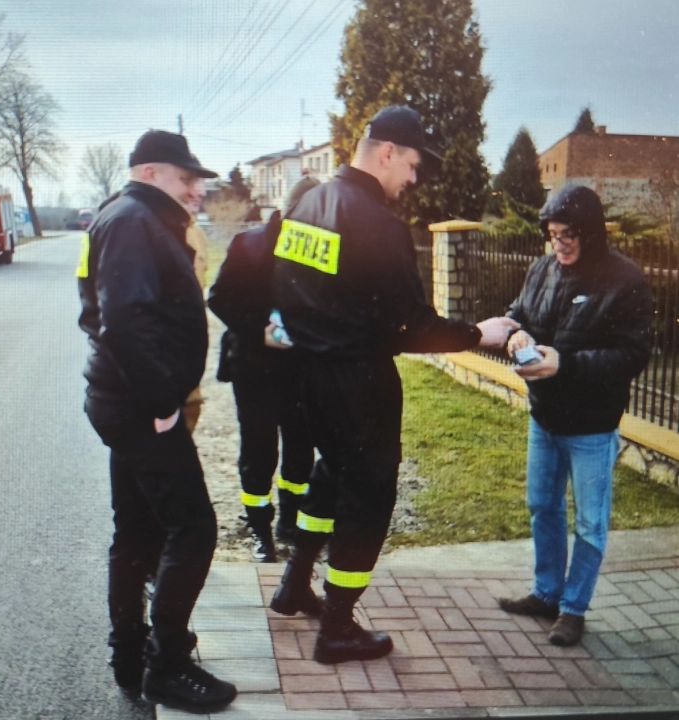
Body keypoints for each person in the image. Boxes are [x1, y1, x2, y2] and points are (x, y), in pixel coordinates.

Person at [269, 105, 519, 664]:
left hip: (307, 375)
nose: (413, 179)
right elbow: (411, 327)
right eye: (410, 165)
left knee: (330, 472)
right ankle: (337, 627)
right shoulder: (379, 225)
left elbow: (282, 286)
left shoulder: (307, 204)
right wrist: (482, 332)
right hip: (358, 383)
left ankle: (294, 583)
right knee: (369, 494)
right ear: (386, 152)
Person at [78, 129, 237, 712]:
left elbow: (93, 311)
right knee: (193, 530)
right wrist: (162, 402)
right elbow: (120, 320)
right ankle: (166, 668)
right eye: (185, 177)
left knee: (138, 531)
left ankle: (131, 655)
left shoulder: (127, 216)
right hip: (142, 411)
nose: (197, 188)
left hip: (125, 405)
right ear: (149, 173)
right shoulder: (132, 221)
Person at [498, 185, 652, 646]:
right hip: (544, 417)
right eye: (551, 234)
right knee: (542, 506)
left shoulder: (625, 279)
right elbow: (518, 313)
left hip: (592, 425)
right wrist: (515, 337)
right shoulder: (542, 268)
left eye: (568, 235)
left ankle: (573, 608)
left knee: (589, 521)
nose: (558, 244)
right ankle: (546, 593)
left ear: (590, 232)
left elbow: (633, 354)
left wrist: (564, 362)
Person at [208, 176, 320, 563]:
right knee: (258, 450)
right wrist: (260, 330)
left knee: (300, 447)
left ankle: (288, 522)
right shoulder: (250, 243)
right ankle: (260, 532)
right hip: (254, 367)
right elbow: (219, 298)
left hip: (300, 368)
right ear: (290, 210)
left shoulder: (319, 250)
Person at [181, 171, 209, 433]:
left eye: (201, 183)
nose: (200, 191)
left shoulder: (197, 234)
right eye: (189, 181)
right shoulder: (141, 232)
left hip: (188, 371)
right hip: (160, 376)